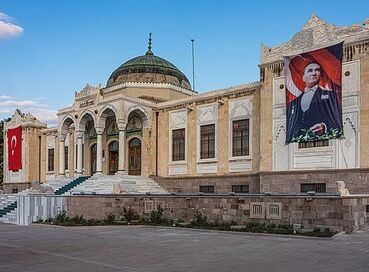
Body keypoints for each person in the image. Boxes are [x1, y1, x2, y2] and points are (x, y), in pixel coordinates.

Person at [286, 62, 342, 143]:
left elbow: (337, 119)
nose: (314, 73)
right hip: (296, 144)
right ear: (303, 78)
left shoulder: (330, 96)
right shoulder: (293, 103)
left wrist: (324, 126)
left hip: (323, 142)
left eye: (317, 70)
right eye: (310, 70)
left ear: (320, 75)